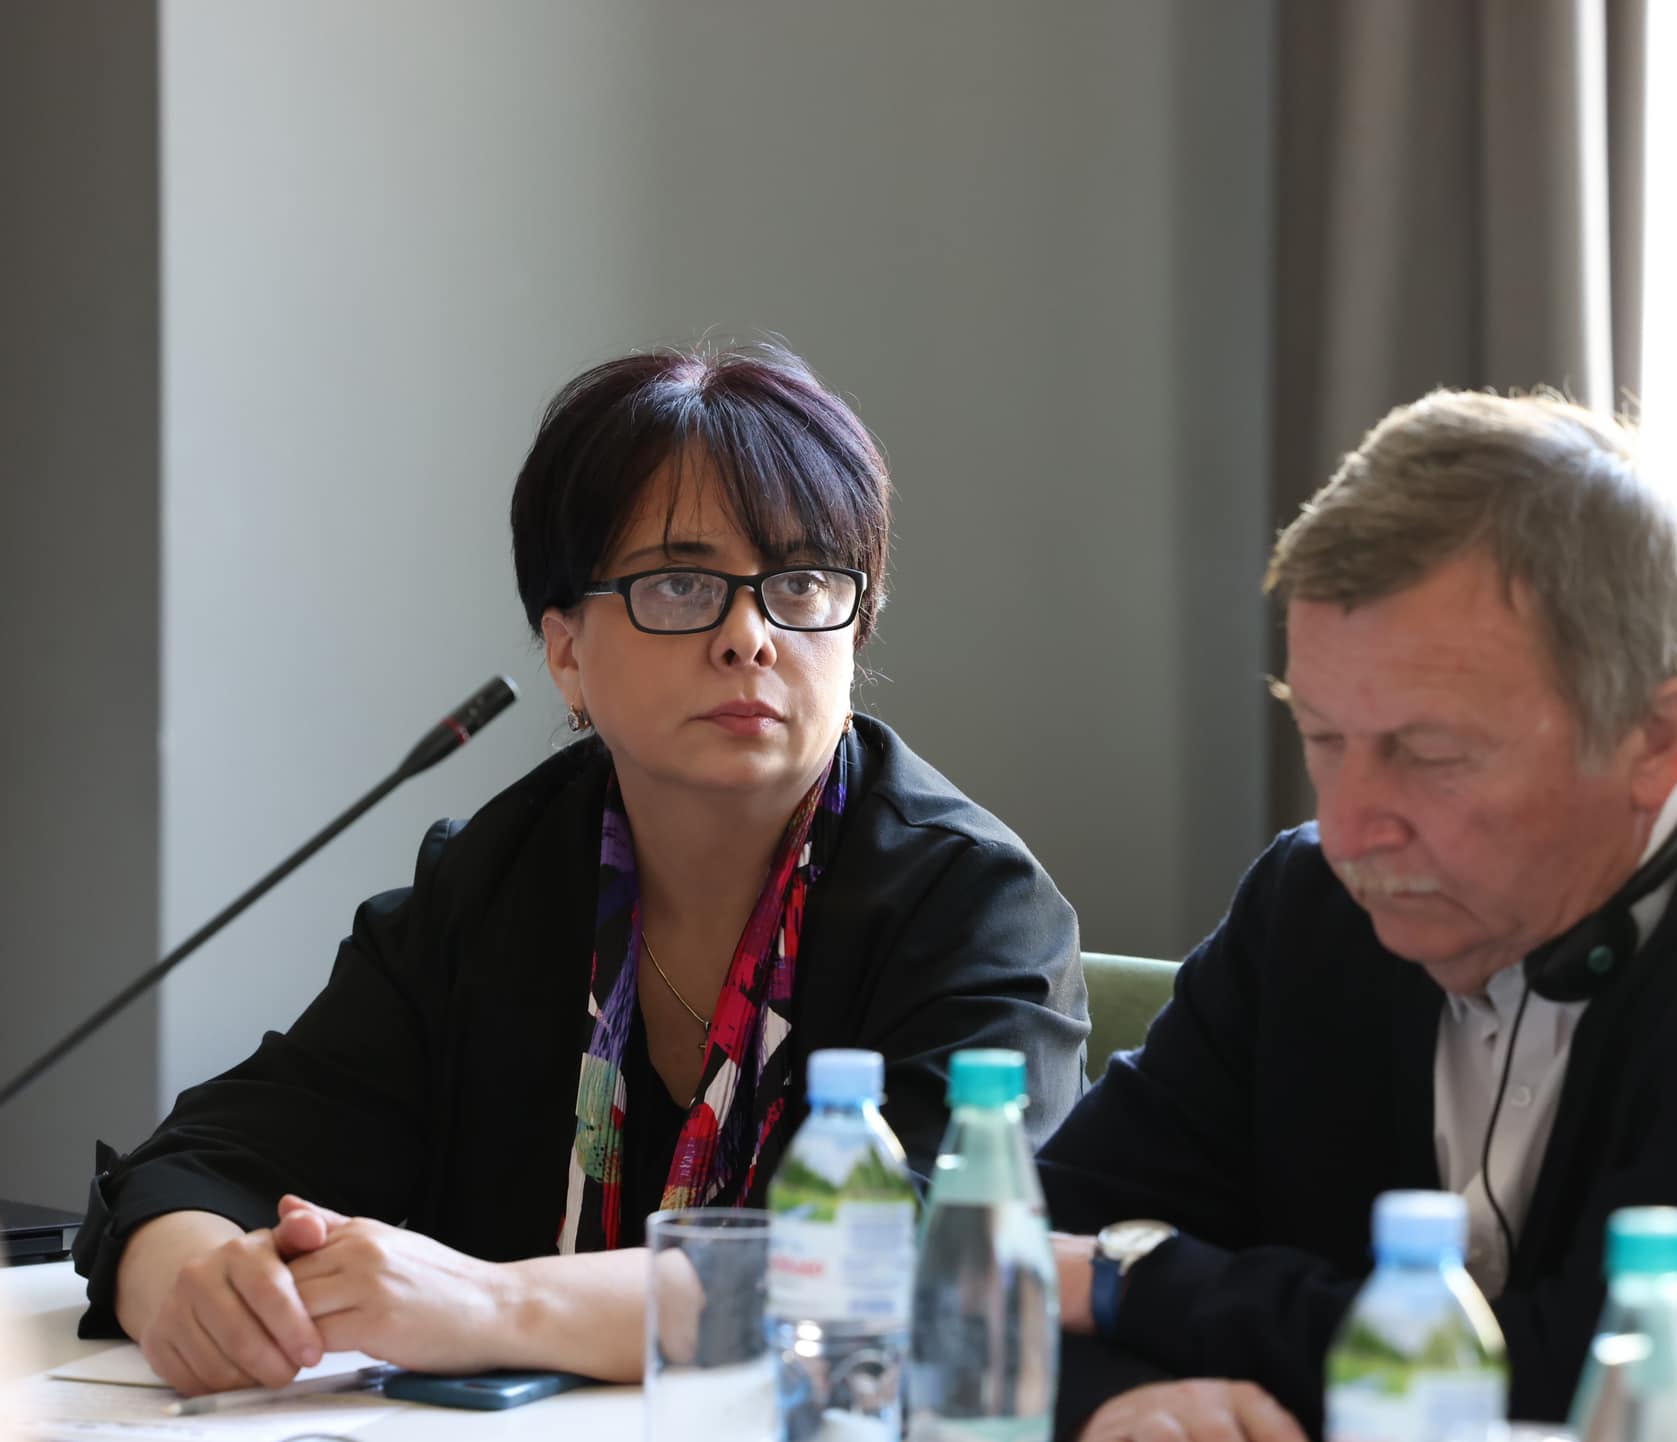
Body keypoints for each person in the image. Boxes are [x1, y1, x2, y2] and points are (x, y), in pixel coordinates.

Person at [73, 343, 1088, 1396]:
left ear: (855, 627)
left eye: (800, 583)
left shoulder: (973, 906)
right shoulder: (494, 885)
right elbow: (204, 1160)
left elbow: (932, 1267)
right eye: (681, 584)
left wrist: (491, 1304)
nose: (750, 637)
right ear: (565, 652)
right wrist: (194, 1282)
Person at [1035, 390, 1677, 1442]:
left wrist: (1137, 1284)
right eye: (1323, 737)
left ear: (1655, 737)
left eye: (1430, 753)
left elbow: (1605, 1393)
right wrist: (1125, 1401)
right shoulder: (1307, 906)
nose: (1348, 828)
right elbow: (1011, 1262)